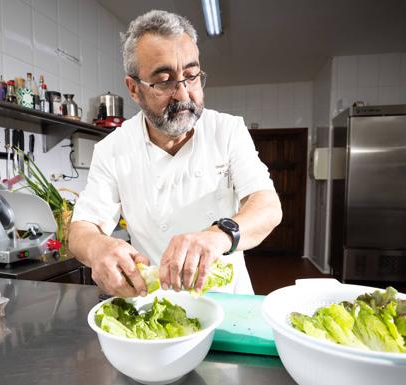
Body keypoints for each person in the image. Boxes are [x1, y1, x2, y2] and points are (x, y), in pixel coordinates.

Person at [69, 10, 282, 297]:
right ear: (134, 89)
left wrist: (218, 236)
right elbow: (81, 229)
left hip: (230, 303)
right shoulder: (113, 149)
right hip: (158, 304)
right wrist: (98, 248)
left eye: (192, 76)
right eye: (165, 81)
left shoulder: (227, 130)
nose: (183, 95)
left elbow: (267, 206)